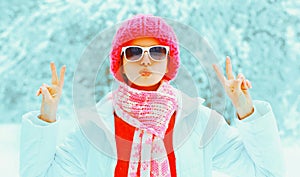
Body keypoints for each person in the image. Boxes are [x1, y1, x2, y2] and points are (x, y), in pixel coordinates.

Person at [20, 14, 284, 177]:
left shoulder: (198, 122)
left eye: (157, 51)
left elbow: (267, 173)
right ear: (120, 63)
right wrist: (46, 117)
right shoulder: (97, 126)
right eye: (134, 52)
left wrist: (246, 111)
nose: (145, 61)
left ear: (169, 61)